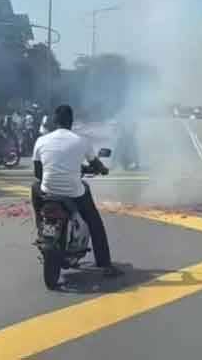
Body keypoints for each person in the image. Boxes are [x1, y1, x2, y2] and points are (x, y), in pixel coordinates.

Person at [31, 104, 123, 278]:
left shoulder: (41, 140)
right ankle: (105, 264)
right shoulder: (81, 141)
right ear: (71, 122)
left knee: (35, 187)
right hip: (74, 192)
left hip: (48, 191)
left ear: (54, 121)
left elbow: (38, 173)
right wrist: (103, 169)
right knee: (95, 222)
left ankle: (39, 223)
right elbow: (95, 164)